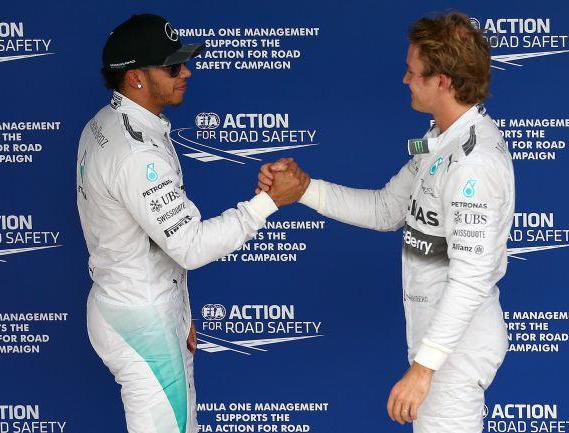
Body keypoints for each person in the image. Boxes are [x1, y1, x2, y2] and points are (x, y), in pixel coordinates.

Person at [258, 12, 514, 433]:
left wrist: (425, 368)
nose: (404, 80)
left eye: (413, 73)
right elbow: (384, 209)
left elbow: (470, 278)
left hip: (454, 352)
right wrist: (303, 189)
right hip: (437, 345)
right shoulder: (439, 142)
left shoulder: (473, 164)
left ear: (442, 82)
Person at [76, 14, 308, 433]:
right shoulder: (137, 153)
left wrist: (178, 313)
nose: (186, 72)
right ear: (136, 78)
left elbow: (148, 240)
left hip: (131, 304)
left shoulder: (105, 122)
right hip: (141, 320)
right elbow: (191, 246)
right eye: (172, 67)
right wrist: (268, 203)